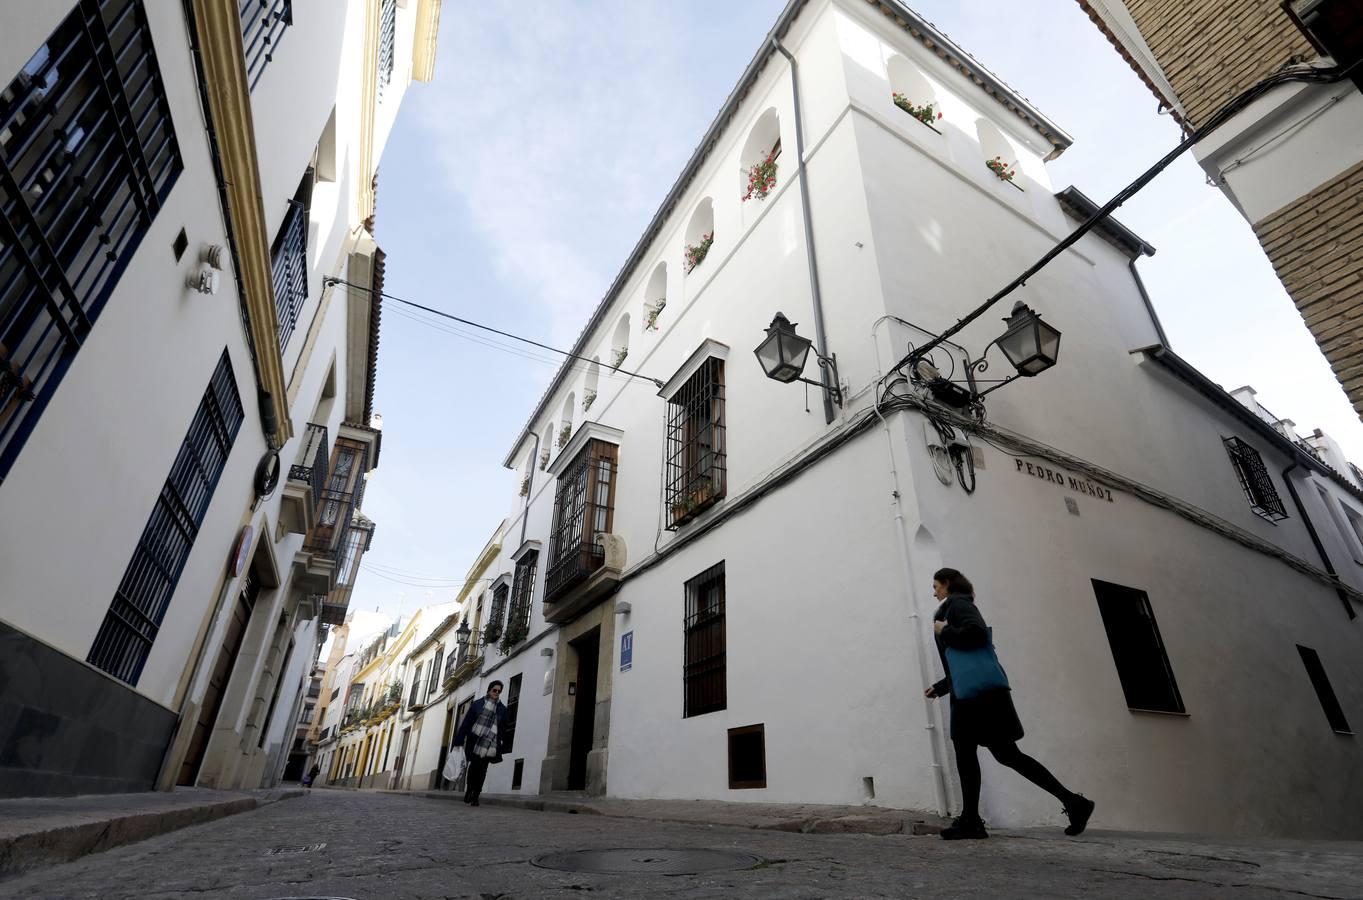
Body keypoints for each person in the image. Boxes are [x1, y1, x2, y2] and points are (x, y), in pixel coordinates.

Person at [924, 567, 1094, 840]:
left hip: (977, 699)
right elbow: (966, 660)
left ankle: (971, 821)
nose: (934, 592)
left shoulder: (958, 604)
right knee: (1005, 755)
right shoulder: (957, 605)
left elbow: (976, 635)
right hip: (980, 696)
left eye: (936, 586)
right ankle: (1074, 802)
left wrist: (945, 631)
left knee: (972, 754)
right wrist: (942, 686)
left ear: (947, 583)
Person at [452, 681, 509, 806]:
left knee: (483, 770)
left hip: (490, 744)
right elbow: (466, 723)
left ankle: (476, 795)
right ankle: (469, 790)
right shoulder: (477, 704)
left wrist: (502, 742)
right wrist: (459, 739)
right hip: (475, 741)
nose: (497, 693)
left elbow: (504, 727)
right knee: (473, 768)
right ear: (489, 690)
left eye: (499, 691)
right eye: (495, 690)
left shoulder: (502, 709)